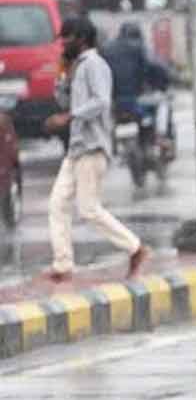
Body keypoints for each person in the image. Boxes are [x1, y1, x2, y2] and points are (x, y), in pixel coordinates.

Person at [43, 18, 149, 283]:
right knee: (57, 204)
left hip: (92, 147)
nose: (63, 43)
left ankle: (135, 248)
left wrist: (69, 117)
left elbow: (101, 102)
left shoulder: (95, 65)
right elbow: (65, 100)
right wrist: (61, 77)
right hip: (77, 148)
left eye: (67, 38)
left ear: (81, 38)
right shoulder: (77, 67)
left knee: (89, 209)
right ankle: (63, 265)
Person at [101, 22, 173, 156]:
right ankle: (161, 137)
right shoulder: (140, 48)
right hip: (137, 98)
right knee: (163, 103)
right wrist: (164, 82)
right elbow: (156, 68)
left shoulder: (106, 50)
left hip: (114, 100)